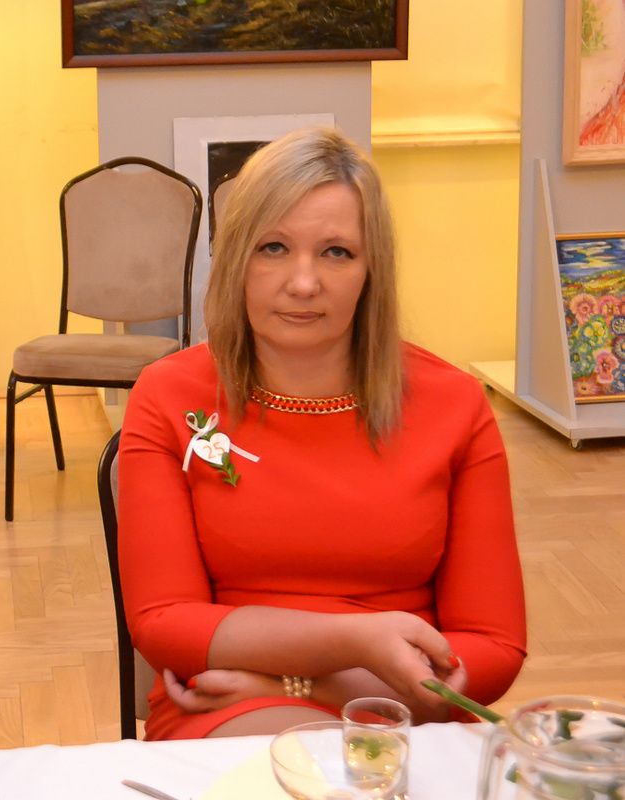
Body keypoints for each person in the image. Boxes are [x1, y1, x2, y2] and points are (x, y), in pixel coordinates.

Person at [117, 126, 526, 739]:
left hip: (408, 709)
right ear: (235, 259)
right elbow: (164, 623)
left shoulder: (456, 405)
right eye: (273, 247)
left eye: (336, 252)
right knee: (315, 772)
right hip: (227, 701)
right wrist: (359, 640)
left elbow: (494, 645)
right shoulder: (167, 395)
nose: (304, 283)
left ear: (371, 268)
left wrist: (314, 684)